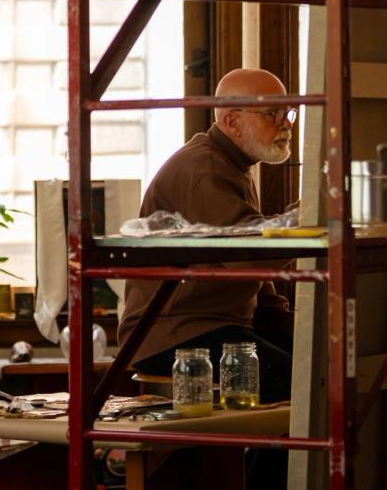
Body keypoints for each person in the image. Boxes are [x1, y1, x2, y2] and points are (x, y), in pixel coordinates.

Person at [118, 68, 297, 402]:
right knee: (296, 384)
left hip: (214, 326)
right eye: (274, 114)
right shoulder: (205, 171)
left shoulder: (232, 166)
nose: (286, 124)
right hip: (178, 333)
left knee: (316, 365)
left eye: (288, 113)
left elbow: (254, 278)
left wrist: (300, 331)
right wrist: (310, 216)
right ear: (231, 122)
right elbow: (249, 257)